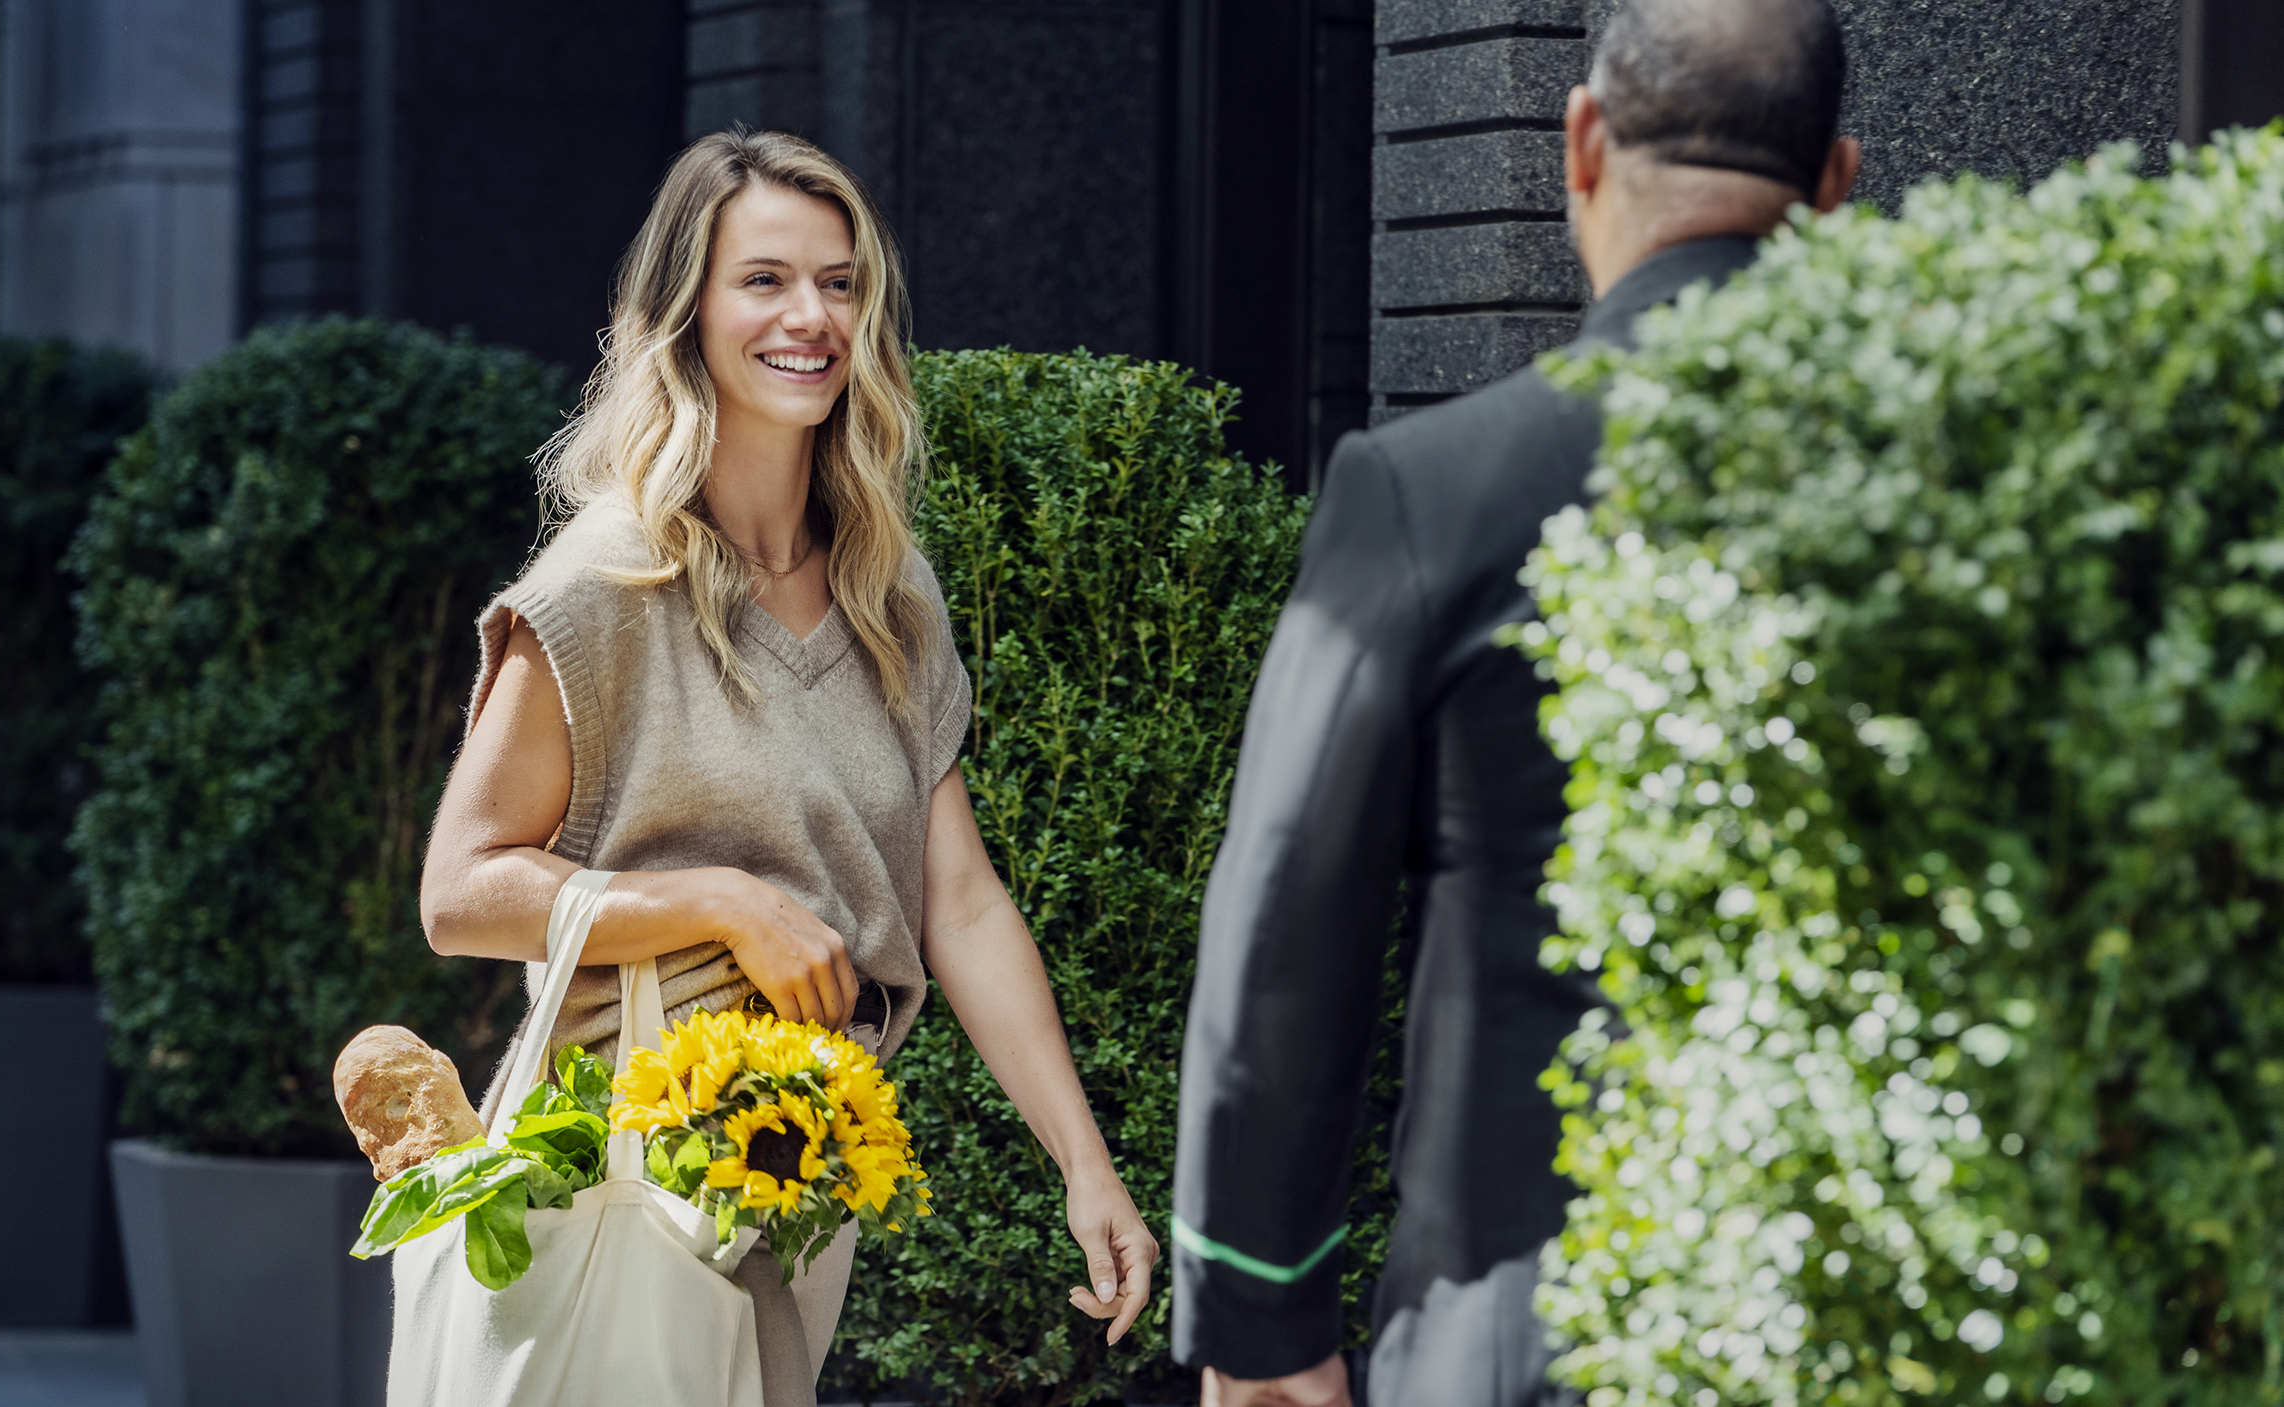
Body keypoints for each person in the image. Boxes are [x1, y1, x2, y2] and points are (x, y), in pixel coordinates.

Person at [1169, 3, 1862, 1404]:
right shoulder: (1989, 493)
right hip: (1876, 1299)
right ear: (1837, 182)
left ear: (1584, 141)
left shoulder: (1435, 484)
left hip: (1521, 1307)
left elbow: (1290, 916)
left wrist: (1261, 1313)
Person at [418, 128, 1157, 1407]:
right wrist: (723, 903)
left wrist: (1086, 1167)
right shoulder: (608, 582)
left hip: (802, 1168)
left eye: (841, 280)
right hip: (617, 1166)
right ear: (685, 311)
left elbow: (961, 903)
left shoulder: (888, 594)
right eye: (763, 278)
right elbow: (458, 891)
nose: (810, 315)